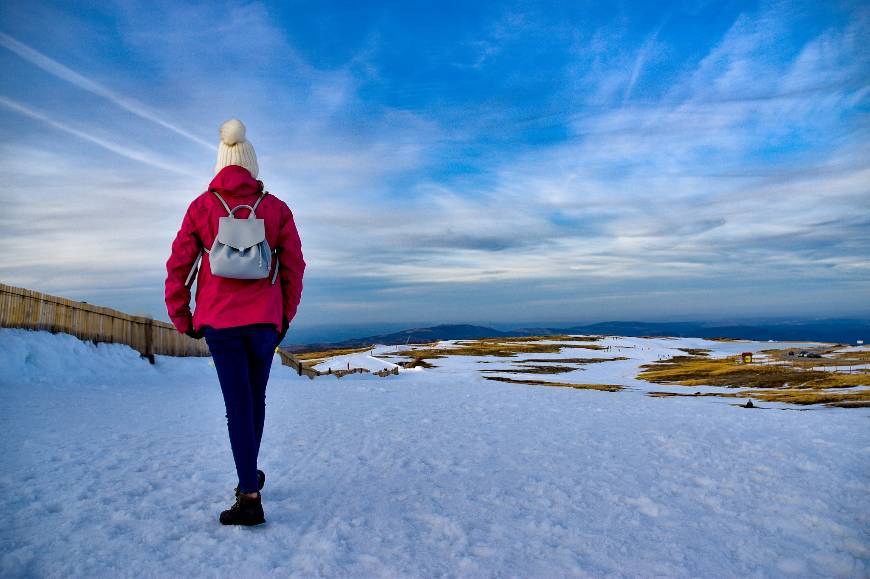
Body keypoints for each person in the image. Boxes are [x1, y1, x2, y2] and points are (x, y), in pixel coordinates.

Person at [164, 119, 305, 526]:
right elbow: (294, 266)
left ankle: (249, 495)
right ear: (252, 165)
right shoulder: (276, 208)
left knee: (236, 406)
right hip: (264, 323)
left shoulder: (201, 207)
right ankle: (250, 472)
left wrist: (182, 316)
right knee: (254, 401)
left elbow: (178, 267)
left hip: (220, 323)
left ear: (220, 164)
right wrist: (283, 315)